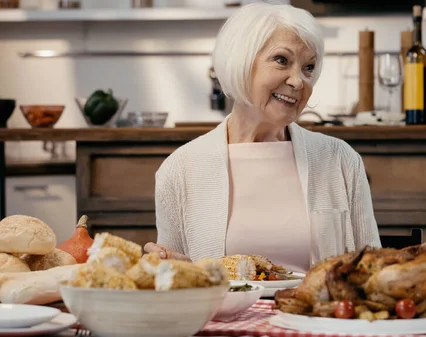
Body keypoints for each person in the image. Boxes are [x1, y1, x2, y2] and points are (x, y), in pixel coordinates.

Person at [143, 2, 381, 273]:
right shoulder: (180, 169)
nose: (298, 81)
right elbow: (172, 282)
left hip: (315, 315)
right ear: (240, 61)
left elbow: (373, 270)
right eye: (282, 60)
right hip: (224, 316)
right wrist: (165, 266)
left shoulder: (340, 160)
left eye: (309, 68)